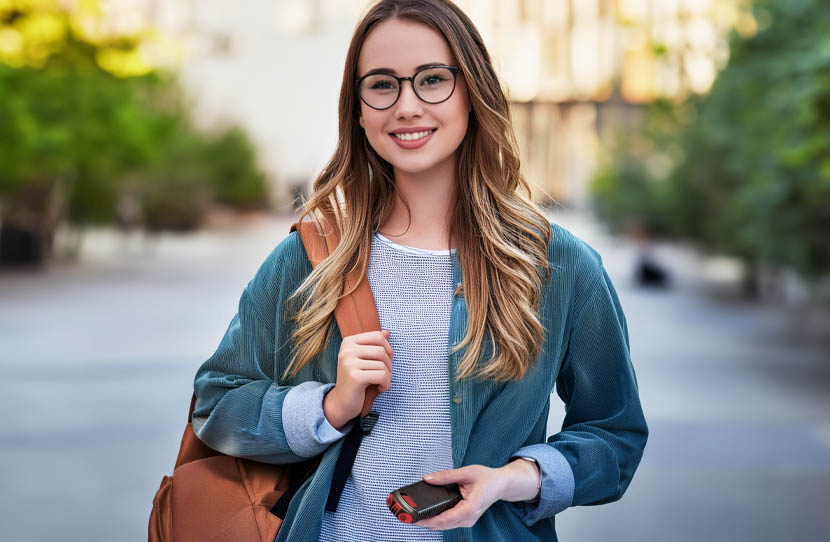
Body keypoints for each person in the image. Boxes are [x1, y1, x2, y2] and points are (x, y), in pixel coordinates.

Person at [191, 1, 648, 540]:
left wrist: (512, 479)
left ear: (473, 94)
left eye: (432, 80)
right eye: (382, 85)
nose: (406, 105)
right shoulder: (311, 257)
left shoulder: (556, 266)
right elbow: (217, 401)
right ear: (358, 110)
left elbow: (614, 434)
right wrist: (329, 406)